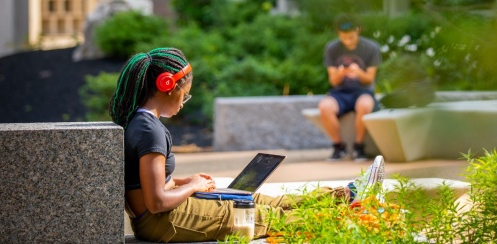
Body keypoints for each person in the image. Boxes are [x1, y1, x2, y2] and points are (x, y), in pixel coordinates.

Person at [111, 47, 385, 242]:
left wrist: (186, 180)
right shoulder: (149, 130)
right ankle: (354, 217)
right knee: (256, 214)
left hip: (159, 219)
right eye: (186, 92)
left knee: (251, 198)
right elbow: (156, 201)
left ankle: (349, 194)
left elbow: (148, 185)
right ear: (168, 85)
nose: (184, 99)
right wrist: (194, 187)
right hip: (162, 222)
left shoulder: (141, 123)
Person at [318, 13, 382, 161]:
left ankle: (358, 146)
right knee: (324, 106)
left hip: (363, 91)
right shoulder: (332, 48)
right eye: (344, 37)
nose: (348, 41)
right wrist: (341, 73)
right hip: (340, 92)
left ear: (358, 30)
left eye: (351, 37)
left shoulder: (371, 47)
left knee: (365, 105)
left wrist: (358, 73)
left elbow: (369, 79)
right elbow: (333, 82)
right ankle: (339, 146)